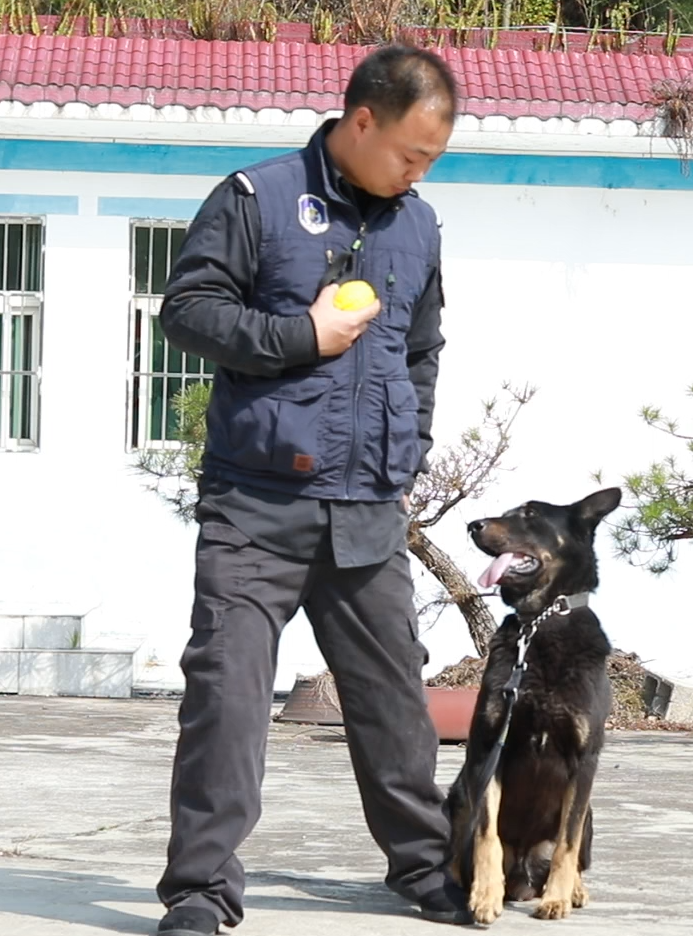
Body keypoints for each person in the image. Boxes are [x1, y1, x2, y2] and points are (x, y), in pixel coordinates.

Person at [153, 45, 473, 936]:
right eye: (411, 152)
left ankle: (424, 866)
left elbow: (422, 347)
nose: (419, 172)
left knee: (392, 698)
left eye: (433, 160)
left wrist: (410, 443)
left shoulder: (418, 225)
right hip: (256, 502)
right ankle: (200, 890)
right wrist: (301, 335)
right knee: (227, 692)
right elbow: (188, 312)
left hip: (367, 502)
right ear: (360, 121)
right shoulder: (255, 197)